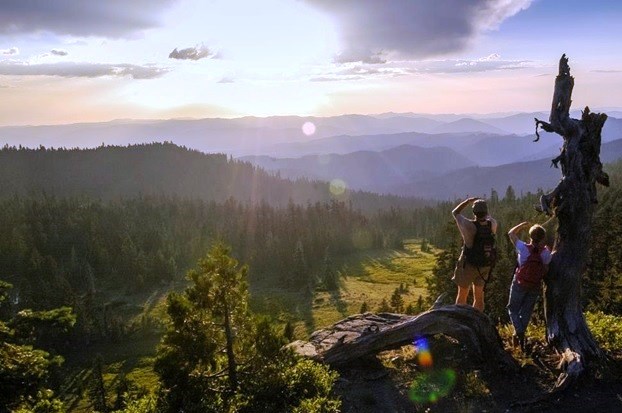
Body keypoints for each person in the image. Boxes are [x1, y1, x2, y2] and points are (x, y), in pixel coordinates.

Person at [507, 221, 552, 350]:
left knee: (513, 308)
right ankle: (519, 334)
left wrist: (521, 225)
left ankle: (519, 331)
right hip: (535, 285)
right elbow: (546, 268)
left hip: (520, 282)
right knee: (526, 311)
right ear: (543, 238)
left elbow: (511, 233)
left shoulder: (523, 248)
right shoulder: (545, 253)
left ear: (530, 236)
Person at [452, 197, 497, 311]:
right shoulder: (492, 224)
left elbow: (455, 212)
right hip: (485, 264)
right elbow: (489, 218)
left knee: (462, 294)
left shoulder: (468, 226)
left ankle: (460, 319)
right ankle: (477, 321)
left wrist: (467, 201)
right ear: (486, 212)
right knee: (479, 296)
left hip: (469, 264)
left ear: (474, 212)